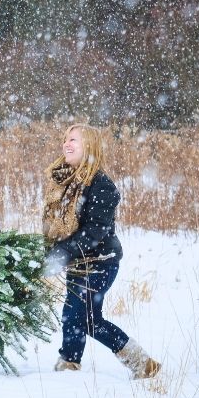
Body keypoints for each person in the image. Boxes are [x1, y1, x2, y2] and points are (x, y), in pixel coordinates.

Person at [42, 123, 161, 379]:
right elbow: (56, 224)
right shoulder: (64, 182)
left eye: (73, 140)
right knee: (79, 316)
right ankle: (71, 364)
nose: (66, 144)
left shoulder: (101, 186)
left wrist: (61, 252)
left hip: (100, 262)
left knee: (81, 316)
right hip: (78, 261)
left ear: (90, 147)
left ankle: (75, 363)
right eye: (65, 139)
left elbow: (94, 232)